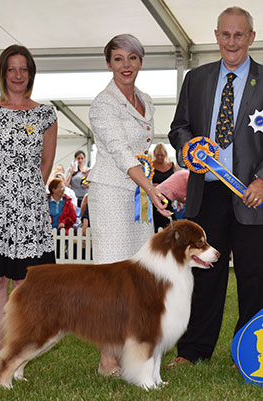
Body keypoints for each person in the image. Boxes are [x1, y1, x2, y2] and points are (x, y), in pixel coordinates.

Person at [167, 7, 263, 368]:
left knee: (255, 277)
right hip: (206, 193)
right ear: (216, 35)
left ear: (251, 38)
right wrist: (187, 148)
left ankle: (252, 354)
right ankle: (193, 351)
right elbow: (179, 128)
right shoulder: (196, 78)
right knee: (205, 277)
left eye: (240, 35)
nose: (232, 42)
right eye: (225, 34)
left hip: (252, 195)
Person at [88, 34, 169, 376]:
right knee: (111, 280)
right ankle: (108, 358)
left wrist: (147, 189)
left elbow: (143, 149)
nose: (126, 66)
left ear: (141, 62)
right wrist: (151, 188)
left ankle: (132, 352)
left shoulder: (147, 100)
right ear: (109, 64)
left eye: (133, 58)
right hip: (111, 193)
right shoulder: (102, 104)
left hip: (140, 199)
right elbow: (121, 151)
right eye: (118, 59)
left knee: (137, 279)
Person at [0, 44, 57, 362]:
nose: (18, 75)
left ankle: (20, 342)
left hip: (32, 202)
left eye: (23, 68)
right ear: (3, 73)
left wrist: (31, 190)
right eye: (12, 68)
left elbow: (46, 162)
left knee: (25, 278)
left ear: (30, 73)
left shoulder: (46, 113)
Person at [152, 143, 177, 231]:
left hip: (169, 200)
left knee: (172, 227)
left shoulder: (172, 165)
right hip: (155, 200)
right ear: (154, 154)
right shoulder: (150, 166)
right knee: (156, 227)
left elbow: (176, 182)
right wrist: (153, 186)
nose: (159, 157)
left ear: (165, 154)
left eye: (162, 155)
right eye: (157, 155)